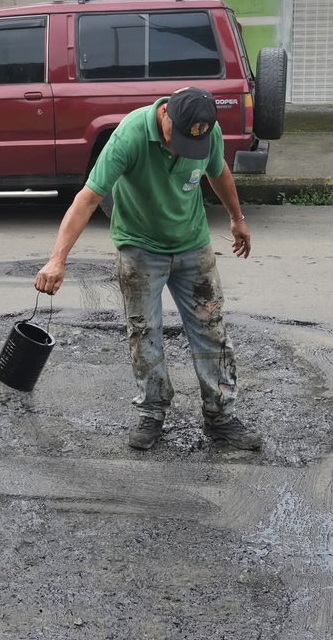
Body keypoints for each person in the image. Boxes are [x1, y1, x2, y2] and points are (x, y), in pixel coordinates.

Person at [35, 87, 262, 451]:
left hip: (193, 245)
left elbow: (218, 172)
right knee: (144, 333)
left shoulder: (206, 130)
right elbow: (88, 199)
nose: (181, 150)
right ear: (165, 113)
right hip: (140, 248)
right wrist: (57, 259)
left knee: (212, 330)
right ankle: (152, 413)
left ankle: (220, 418)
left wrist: (237, 218)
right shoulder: (130, 135)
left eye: (191, 144)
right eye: (178, 138)